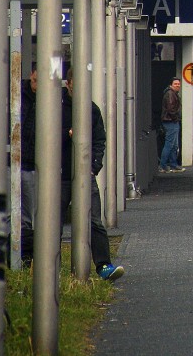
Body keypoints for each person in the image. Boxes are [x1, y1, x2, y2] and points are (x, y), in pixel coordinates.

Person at [61, 76, 124, 280]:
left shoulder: (92, 109)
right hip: (59, 174)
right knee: (53, 221)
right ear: (68, 83)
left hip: (84, 173)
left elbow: (99, 139)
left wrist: (94, 167)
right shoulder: (56, 105)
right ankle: (50, 268)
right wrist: (66, 134)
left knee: (94, 220)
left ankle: (104, 265)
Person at [20, 64, 37, 263]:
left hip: (32, 163)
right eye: (34, 80)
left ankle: (26, 255)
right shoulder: (20, 96)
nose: (36, 85)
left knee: (28, 213)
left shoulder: (49, 100)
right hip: (16, 159)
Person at [159, 77, 184, 172]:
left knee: (174, 145)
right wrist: (176, 118)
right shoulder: (170, 94)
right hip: (170, 121)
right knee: (170, 144)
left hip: (171, 121)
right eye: (175, 84)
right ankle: (163, 165)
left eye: (178, 84)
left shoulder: (172, 93)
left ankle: (173, 164)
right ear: (171, 85)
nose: (178, 85)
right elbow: (171, 109)